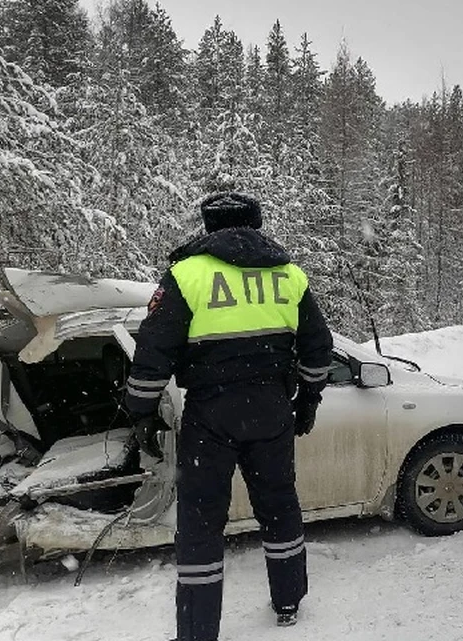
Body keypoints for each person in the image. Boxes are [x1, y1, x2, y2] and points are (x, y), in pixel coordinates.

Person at [124, 191, 334, 641]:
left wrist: (141, 412)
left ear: (208, 225)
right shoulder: (289, 275)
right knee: (279, 506)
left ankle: (198, 631)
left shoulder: (187, 274)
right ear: (255, 222)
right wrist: (309, 399)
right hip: (272, 409)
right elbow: (318, 348)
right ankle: (288, 601)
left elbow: (153, 351)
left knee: (201, 521)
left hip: (210, 414)